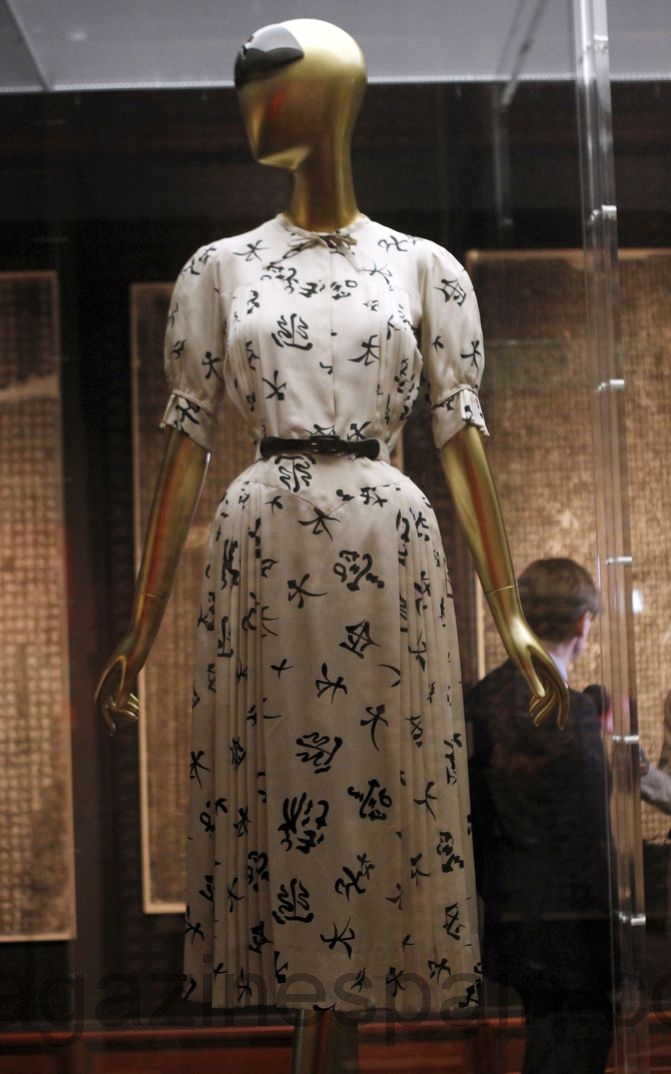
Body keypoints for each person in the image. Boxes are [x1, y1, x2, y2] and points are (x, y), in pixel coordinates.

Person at [95, 20, 567, 1074]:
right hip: (261, 541)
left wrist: (511, 618)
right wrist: (138, 627)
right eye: (246, 91)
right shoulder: (220, 268)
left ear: (331, 100)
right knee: (280, 783)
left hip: (386, 543)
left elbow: (462, 440)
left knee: (378, 788)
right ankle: (318, 1036)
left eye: (271, 89)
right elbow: (184, 447)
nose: (251, 111)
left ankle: (338, 1039)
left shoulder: (422, 268)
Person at [466, 558, 612, 1074]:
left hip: (510, 910)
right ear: (582, 623)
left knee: (546, 1048)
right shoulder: (574, 711)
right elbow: (588, 835)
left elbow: (475, 817)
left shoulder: (483, 697)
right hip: (573, 923)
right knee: (576, 1050)